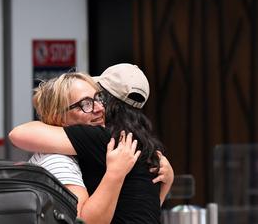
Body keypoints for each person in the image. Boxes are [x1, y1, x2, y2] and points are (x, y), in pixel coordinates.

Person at [10, 64, 171, 224]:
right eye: (86, 103)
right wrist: (166, 182)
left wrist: (115, 174)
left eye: (99, 98)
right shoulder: (142, 145)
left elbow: (18, 134)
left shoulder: (105, 139)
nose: (99, 107)